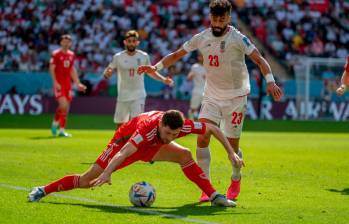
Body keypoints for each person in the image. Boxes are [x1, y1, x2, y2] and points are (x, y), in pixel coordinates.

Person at [137, 0, 283, 202]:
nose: (217, 22)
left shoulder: (238, 38)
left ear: (228, 18)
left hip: (236, 97)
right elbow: (178, 54)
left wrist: (270, 81)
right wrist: (157, 67)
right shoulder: (201, 37)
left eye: (221, 18)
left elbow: (259, 59)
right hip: (211, 97)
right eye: (214, 18)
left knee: (232, 146)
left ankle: (236, 176)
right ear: (210, 17)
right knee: (202, 137)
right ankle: (206, 188)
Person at [28, 110, 244, 207]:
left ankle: (214, 196)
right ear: (160, 125)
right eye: (168, 133)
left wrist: (230, 152)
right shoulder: (146, 130)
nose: (171, 138)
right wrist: (107, 172)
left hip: (151, 147)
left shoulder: (182, 125)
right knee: (86, 181)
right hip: (123, 143)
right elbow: (123, 153)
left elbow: (213, 128)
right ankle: (43, 190)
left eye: (175, 134)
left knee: (185, 155)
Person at [103, 30, 173, 129]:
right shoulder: (118, 57)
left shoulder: (143, 56)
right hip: (123, 94)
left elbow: (150, 71)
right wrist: (107, 74)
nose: (131, 43)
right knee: (119, 124)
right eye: (129, 41)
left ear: (137, 42)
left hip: (138, 94)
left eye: (133, 41)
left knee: (136, 123)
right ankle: (119, 144)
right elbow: (108, 71)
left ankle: (132, 144)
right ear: (125, 42)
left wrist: (163, 79)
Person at [50, 34, 87, 137]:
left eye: (68, 42)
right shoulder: (56, 54)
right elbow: (51, 68)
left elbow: (72, 69)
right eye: (64, 41)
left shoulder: (71, 54)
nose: (66, 43)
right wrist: (55, 82)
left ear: (70, 43)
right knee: (63, 105)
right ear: (61, 42)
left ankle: (61, 130)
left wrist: (78, 83)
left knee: (66, 107)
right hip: (59, 83)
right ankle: (55, 124)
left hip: (68, 84)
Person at [187, 52, 206, 120]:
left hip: (207, 91)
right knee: (193, 108)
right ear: (198, 57)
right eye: (200, 56)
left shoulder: (209, 67)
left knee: (206, 109)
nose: (202, 58)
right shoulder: (195, 67)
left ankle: (204, 123)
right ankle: (190, 121)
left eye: (203, 56)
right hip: (197, 89)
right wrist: (190, 76)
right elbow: (189, 77)